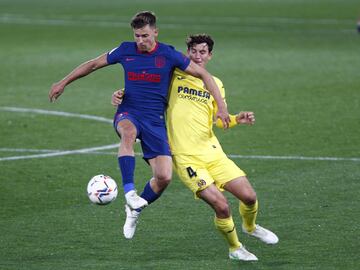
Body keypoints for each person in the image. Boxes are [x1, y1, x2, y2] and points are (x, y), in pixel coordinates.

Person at [48, 12, 229, 222]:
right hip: (129, 111)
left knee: (164, 177)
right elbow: (93, 64)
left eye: (144, 36)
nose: (140, 41)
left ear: (155, 32)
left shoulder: (168, 54)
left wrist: (221, 107)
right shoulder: (125, 50)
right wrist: (62, 82)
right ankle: (129, 192)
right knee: (128, 133)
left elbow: (204, 74)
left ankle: (134, 210)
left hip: (154, 120)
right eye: (137, 36)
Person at [112, 34, 278, 261]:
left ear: (210, 56)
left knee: (249, 197)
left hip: (213, 153)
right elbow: (143, 88)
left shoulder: (215, 84)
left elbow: (219, 119)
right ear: (187, 52)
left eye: (203, 52)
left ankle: (251, 227)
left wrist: (237, 118)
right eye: (194, 51)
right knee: (221, 206)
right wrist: (120, 93)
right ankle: (235, 248)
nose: (197, 56)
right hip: (186, 158)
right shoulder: (172, 74)